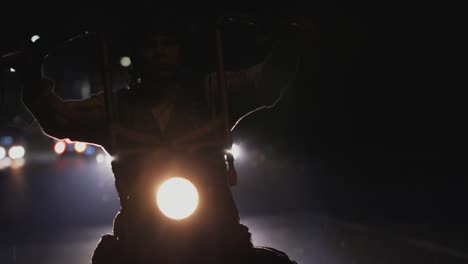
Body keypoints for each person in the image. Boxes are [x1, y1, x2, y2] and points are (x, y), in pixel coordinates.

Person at [17, 15, 307, 263]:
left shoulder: (211, 93)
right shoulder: (117, 108)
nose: (159, 53)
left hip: (215, 223)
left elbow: (265, 84)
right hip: (142, 230)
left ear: (181, 51)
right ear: (137, 55)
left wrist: (287, 43)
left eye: (167, 43)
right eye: (149, 45)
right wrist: (31, 77)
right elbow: (59, 118)